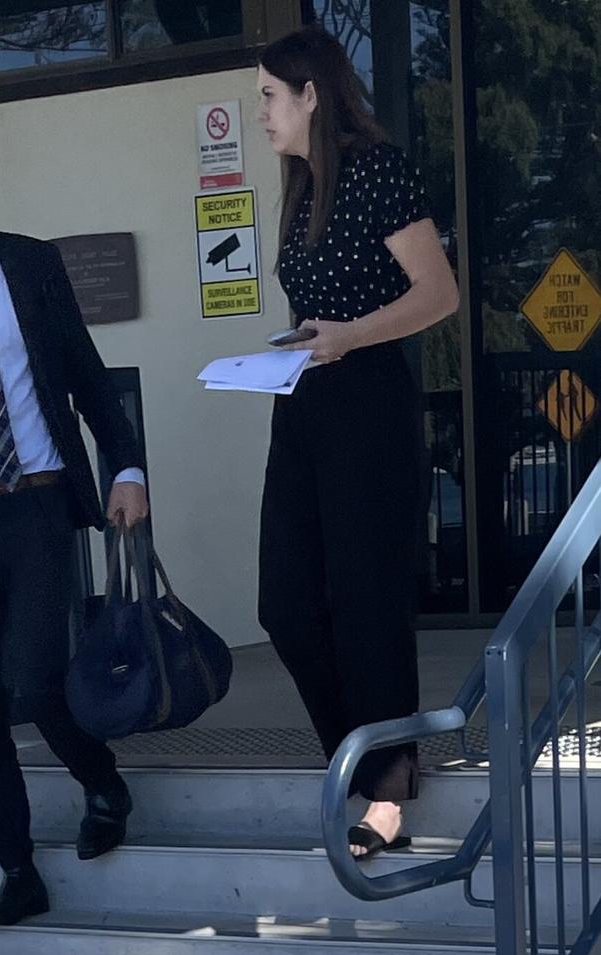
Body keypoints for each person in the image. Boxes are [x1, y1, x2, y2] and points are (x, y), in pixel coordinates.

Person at [255, 27, 459, 859]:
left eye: (270, 94)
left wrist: (351, 337)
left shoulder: (378, 170)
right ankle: (356, 756)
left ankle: (387, 795)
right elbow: (324, 310)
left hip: (367, 404)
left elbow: (439, 294)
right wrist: (303, 341)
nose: (260, 109)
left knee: (368, 604)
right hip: (303, 403)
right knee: (286, 604)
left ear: (311, 95)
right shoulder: (301, 185)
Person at [0, 108, 149, 925]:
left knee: (36, 678)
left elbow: (89, 378)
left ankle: (102, 782)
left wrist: (127, 465)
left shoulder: (33, 266)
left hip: (37, 505)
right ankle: (18, 870)